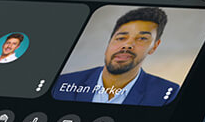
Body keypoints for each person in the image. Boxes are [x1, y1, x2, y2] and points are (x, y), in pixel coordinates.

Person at [51, 8, 180, 106]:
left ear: (154, 46)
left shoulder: (167, 93)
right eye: (121, 38)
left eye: (142, 38)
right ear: (110, 41)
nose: (128, 45)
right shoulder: (63, 83)